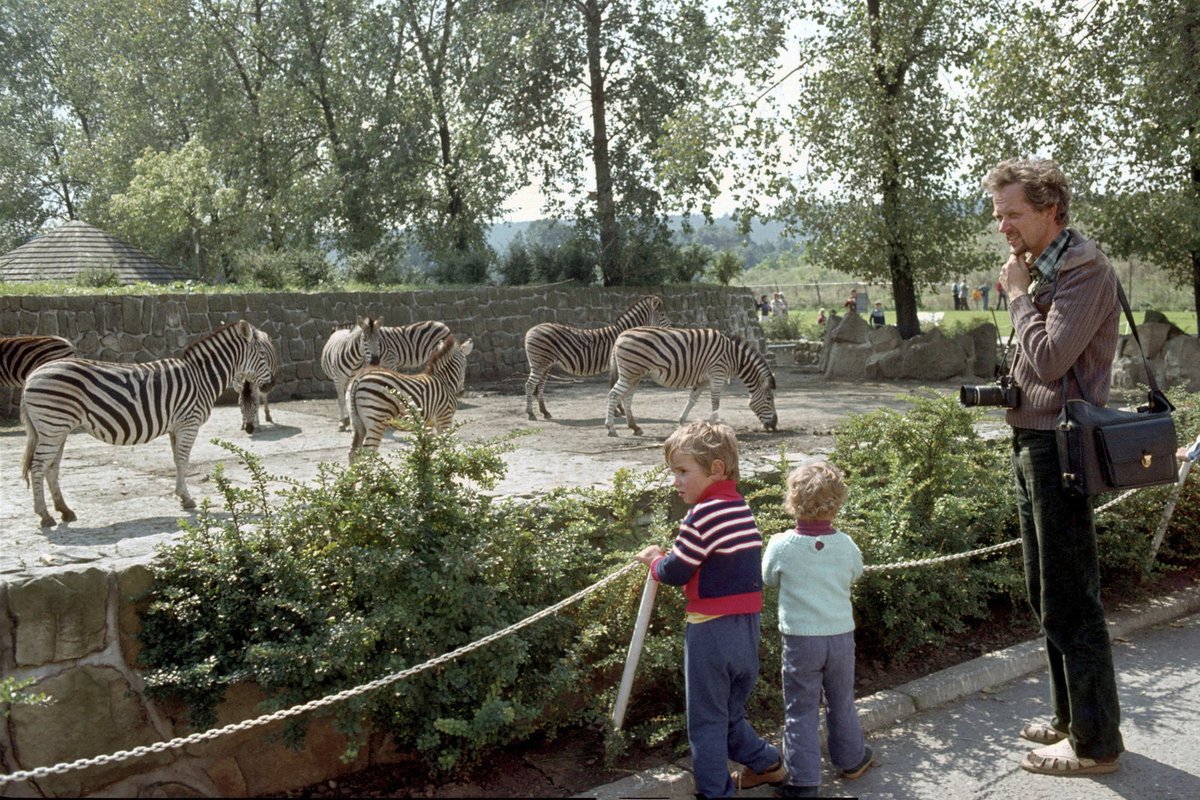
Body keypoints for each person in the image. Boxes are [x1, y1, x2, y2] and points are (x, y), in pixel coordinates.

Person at [985, 157, 1123, 775]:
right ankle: (1071, 720)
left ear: (1050, 210)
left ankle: (1096, 744)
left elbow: (1049, 359)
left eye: (1012, 213)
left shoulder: (1084, 269)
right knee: (1047, 591)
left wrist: (1016, 297)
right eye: (997, 213)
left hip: (1062, 445)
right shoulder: (1042, 267)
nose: (1002, 225)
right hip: (1032, 439)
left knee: (1072, 595)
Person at [634, 420, 786, 798]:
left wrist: (654, 559)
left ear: (715, 469)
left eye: (683, 471)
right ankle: (767, 762)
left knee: (705, 722)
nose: (676, 482)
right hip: (747, 631)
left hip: (710, 631)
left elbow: (676, 570)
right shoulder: (741, 508)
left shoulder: (701, 516)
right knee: (729, 714)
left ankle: (715, 792)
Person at [762, 461, 874, 798]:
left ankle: (803, 779)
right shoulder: (847, 544)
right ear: (838, 503)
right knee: (842, 700)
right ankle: (852, 759)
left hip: (800, 640)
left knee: (800, 707)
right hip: (840, 637)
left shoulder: (781, 545)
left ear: (791, 501)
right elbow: (856, 573)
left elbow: (767, 578)